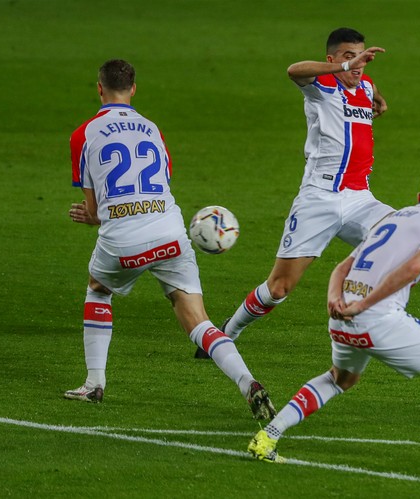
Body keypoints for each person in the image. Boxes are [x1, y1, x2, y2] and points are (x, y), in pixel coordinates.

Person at [196, 27, 420, 358]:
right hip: (318, 199)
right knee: (279, 287)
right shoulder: (320, 86)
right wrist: (342, 70)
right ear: (332, 59)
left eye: (361, 58)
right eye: (348, 57)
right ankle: (227, 333)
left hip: (360, 199)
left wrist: (378, 98)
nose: (357, 65)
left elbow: (368, 86)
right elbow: (293, 71)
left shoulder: (364, 85)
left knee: (414, 242)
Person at [247, 168, 420, 486]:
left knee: (341, 378)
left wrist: (335, 300)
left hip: (341, 317)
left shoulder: (390, 219)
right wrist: (365, 306)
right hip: (376, 318)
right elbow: (412, 269)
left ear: (419, 197)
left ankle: (267, 437)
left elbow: (342, 266)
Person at [64, 59, 276, 421]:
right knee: (198, 321)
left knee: (98, 288)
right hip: (171, 234)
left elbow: (95, 211)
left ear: (99, 89)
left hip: (124, 240)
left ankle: (94, 382)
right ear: (134, 89)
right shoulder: (152, 129)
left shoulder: (83, 134)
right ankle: (248, 382)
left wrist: (90, 216)